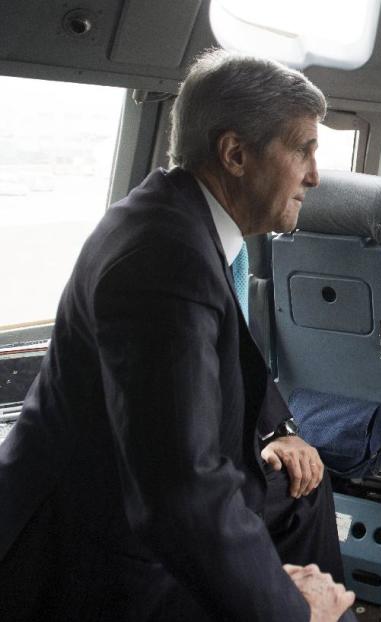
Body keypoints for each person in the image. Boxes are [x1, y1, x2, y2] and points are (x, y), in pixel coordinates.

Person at [0, 50, 354, 622]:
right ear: (235, 154)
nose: (315, 175)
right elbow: (177, 493)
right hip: (86, 536)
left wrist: (278, 431)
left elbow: (219, 366)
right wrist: (293, 608)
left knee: (303, 492)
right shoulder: (167, 255)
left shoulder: (182, 221)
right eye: (303, 150)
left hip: (128, 485)